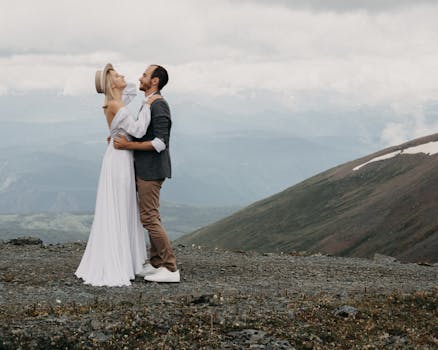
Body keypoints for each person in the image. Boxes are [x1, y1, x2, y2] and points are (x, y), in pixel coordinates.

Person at [75, 63, 160, 287]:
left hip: (119, 156)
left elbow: (131, 88)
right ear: (111, 84)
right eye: (117, 75)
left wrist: (114, 82)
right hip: (120, 159)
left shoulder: (117, 101)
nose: (124, 75)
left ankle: (126, 259)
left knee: (124, 205)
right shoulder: (115, 104)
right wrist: (148, 104)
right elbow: (139, 131)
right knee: (121, 206)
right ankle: (120, 261)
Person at [114, 65, 180, 283]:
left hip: (152, 170)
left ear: (155, 81)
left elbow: (160, 143)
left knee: (149, 218)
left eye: (144, 75)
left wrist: (127, 147)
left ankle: (170, 268)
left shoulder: (159, 105)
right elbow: (143, 132)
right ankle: (156, 263)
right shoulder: (149, 102)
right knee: (151, 216)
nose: (140, 77)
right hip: (145, 168)